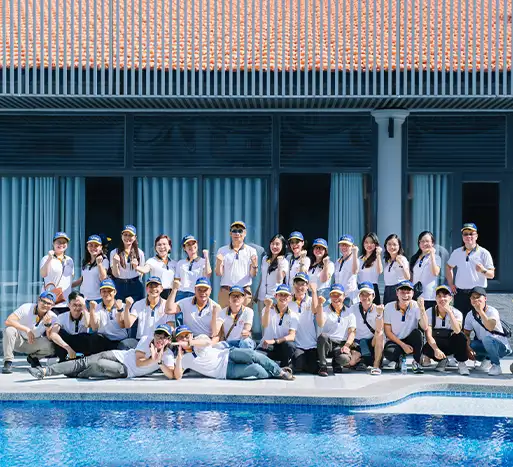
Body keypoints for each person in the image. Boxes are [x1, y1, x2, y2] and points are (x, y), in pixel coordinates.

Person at [27, 324, 177, 380]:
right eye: (158, 335)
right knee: (84, 361)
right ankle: (45, 371)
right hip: (119, 355)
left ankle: (76, 373)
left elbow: (172, 375)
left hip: (125, 370)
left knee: (98, 365)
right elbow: (139, 361)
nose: (160, 339)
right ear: (154, 335)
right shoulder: (146, 340)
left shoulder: (168, 355)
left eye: (164, 337)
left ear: (169, 340)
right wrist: (153, 359)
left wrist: (158, 361)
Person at [173, 325, 294, 381]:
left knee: (252, 355)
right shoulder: (184, 358)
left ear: (191, 335)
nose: (184, 338)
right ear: (177, 340)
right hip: (225, 371)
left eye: (186, 335)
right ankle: (274, 372)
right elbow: (177, 376)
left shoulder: (199, 339)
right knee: (256, 369)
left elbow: (207, 342)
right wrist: (178, 358)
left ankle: (280, 372)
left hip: (227, 354)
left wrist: (190, 342)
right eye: (181, 337)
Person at [446, 223, 495, 319]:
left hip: (477, 294)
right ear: (462, 237)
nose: (468, 236)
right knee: (460, 320)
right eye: (465, 234)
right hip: (460, 294)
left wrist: (483, 270)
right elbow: (448, 267)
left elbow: (491, 275)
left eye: (471, 234)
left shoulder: (484, 253)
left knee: (479, 320)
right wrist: (451, 284)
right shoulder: (457, 252)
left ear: (476, 236)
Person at [2, 291, 57, 374]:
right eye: (43, 301)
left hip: (33, 342)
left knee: (52, 345)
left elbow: (50, 338)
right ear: (38, 300)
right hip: (18, 341)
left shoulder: (53, 317)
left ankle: (33, 358)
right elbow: (8, 321)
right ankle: (8, 362)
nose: (45, 305)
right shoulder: (26, 307)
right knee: (9, 330)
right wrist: (27, 330)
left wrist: (48, 325)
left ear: (52, 305)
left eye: (49, 303)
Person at [421, 285, 469, 375]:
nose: (442, 299)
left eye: (445, 296)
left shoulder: (457, 313)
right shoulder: (429, 312)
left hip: (451, 344)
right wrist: (436, 350)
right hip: (437, 343)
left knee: (461, 336)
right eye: (439, 296)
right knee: (427, 349)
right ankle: (442, 360)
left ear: (450, 298)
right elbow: (428, 335)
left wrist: (449, 312)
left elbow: (457, 330)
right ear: (435, 298)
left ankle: (461, 363)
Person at [464, 286, 511, 376]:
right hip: (485, 344)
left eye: (478, 297)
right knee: (471, 344)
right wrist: (468, 348)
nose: (475, 300)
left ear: (485, 298)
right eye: (473, 297)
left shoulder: (492, 311)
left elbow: (490, 327)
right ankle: (487, 360)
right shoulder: (470, 315)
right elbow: (466, 333)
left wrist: (480, 311)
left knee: (487, 339)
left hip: (501, 347)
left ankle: (496, 365)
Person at [383, 280, 428, 374]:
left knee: (418, 334)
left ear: (413, 293)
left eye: (408, 292)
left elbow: (424, 327)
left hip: (409, 338)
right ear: (397, 293)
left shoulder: (416, 305)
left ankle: (416, 362)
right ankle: (399, 360)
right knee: (389, 353)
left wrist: (422, 309)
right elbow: (388, 332)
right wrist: (403, 345)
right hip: (395, 340)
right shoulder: (389, 307)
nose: (405, 295)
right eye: (402, 292)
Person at [316, 284, 358, 377]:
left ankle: (336, 363)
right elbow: (320, 323)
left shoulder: (350, 313)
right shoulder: (325, 309)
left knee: (345, 359)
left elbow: (352, 332)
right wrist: (320, 305)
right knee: (323, 336)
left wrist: (347, 345)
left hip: (340, 344)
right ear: (330, 296)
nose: (336, 298)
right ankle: (323, 366)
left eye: (339, 295)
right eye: (333, 295)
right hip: (328, 343)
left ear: (344, 296)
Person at [215, 221, 258, 308]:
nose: (237, 233)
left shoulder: (251, 251)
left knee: (246, 316)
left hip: (244, 291)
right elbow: (219, 273)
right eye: (234, 231)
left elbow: (253, 274)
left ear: (245, 233)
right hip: (226, 291)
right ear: (230, 233)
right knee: (223, 316)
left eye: (240, 231)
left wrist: (254, 265)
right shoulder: (222, 250)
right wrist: (219, 262)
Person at [348, 282, 385, 375]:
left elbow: (379, 329)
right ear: (359, 296)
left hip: (372, 342)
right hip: (357, 343)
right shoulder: (353, 308)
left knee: (380, 334)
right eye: (362, 294)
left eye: (368, 294)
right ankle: (361, 359)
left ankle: (376, 365)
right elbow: (348, 326)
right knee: (351, 362)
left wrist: (379, 314)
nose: (365, 297)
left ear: (373, 296)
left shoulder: (378, 309)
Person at [259, 284, 299, 368]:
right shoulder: (267, 309)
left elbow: (292, 336)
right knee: (257, 358)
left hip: (281, 346)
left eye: (286, 295)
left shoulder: (293, 315)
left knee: (290, 345)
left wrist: (275, 341)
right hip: (267, 346)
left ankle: (285, 367)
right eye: (280, 294)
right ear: (275, 296)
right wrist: (267, 307)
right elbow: (264, 324)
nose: (283, 297)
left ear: (290, 297)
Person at [88, 279, 135, 350]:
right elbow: (94, 327)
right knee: (94, 338)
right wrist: (92, 310)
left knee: (125, 345)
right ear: (100, 293)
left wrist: (119, 310)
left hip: (120, 340)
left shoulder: (123, 305)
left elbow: (123, 325)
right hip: (104, 339)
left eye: (109, 291)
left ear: (115, 292)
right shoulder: (97, 307)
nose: (107, 293)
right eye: (104, 291)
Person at [46, 291, 92, 362]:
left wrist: (84, 307)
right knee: (60, 333)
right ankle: (63, 359)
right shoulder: (62, 316)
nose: (77, 308)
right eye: (74, 305)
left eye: (80, 305)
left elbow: (88, 324)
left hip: (81, 344)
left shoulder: (86, 315)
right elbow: (53, 334)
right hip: (67, 346)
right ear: (69, 305)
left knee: (89, 337)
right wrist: (68, 348)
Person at [256, 234, 289, 332]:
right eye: (272, 243)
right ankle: (264, 341)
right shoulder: (265, 259)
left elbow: (279, 280)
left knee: (273, 325)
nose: (274, 246)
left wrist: (279, 263)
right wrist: (256, 294)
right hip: (262, 296)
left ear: (283, 246)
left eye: (277, 244)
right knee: (263, 324)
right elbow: (262, 277)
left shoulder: (284, 262)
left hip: (274, 297)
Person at [123, 276, 173, 340]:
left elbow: (171, 326)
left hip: (160, 340)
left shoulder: (167, 305)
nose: (153, 289)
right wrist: (127, 308)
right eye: (151, 286)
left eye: (156, 286)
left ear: (161, 289)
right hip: (141, 340)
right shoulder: (138, 304)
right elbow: (128, 325)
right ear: (146, 289)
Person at [289, 273, 319, 374]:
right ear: (293, 285)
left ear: (307, 286)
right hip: (297, 344)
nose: (299, 287)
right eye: (297, 284)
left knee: (314, 369)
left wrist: (314, 291)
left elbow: (315, 310)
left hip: (311, 344)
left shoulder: (311, 300)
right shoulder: (288, 301)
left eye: (302, 284)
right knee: (298, 363)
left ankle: (306, 363)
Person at [40, 231, 75, 313]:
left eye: (64, 242)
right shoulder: (46, 258)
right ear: (53, 244)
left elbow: (70, 280)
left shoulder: (69, 260)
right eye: (59, 242)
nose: (61, 244)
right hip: (50, 302)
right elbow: (43, 274)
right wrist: (49, 258)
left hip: (66, 302)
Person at [110, 225, 145, 303]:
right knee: (119, 308)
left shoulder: (139, 253)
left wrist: (136, 267)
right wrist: (115, 263)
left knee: (136, 308)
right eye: (125, 235)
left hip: (135, 285)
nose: (127, 237)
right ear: (121, 236)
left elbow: (141, 272)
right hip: (120, 285)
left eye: (130, 235)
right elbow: (115, 274)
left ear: (135, 237)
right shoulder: (114, 252)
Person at [73, 235, 109, 307]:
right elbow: (83, 278)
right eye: (91, 245)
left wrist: (99, 264)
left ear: (101, 247)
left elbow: (103, 279)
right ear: (87, 247)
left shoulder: (104, 260)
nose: (93, 248)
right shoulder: (86, 261)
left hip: (97, 298)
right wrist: (69, 285)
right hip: (83, 297)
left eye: (96, 246)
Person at [137, 234, 176, 300]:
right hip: (156, 293)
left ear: (169, 247)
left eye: (164, 244)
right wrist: (136, 267)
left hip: (171, 294)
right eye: (159, 245)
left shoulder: (174, 263)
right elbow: (145, 269)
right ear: (155, 248)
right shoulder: (151, 261)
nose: (162, 247)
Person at [175, 234, 211, 303]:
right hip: (181, 294)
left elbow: (208, 274)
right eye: (188, 244)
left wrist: (206, 257)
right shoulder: (180, 263)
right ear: (184, 248)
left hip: (196, 293)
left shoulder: (203, 261)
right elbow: (177, 280)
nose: (191, 246)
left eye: (193, 243)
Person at [410, 231, 441, 310]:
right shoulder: (414, 258)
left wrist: (432, 255)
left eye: (427, 241)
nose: (424, 243)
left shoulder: (436, 258)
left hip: (429, 297)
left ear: (432, 243)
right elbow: (411, 277)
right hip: (415, 296)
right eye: (422, 241)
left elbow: (435, 272)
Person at [383, 234, 410, 305]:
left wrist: (401, 264)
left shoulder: (402, 259)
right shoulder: (387, 260)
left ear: (399, 246)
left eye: (394, 244)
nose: (392, 247)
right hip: (387, 289)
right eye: (389, 244)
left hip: (398, 289)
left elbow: (408, 277)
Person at [357, 233, 383, 304]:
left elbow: (380, 271)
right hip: (361, 288)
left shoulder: (377, 258)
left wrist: (378, 255)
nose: (369, 245)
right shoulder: (359, 259)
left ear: (376, 244)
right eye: (366, 242)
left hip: (373, 288)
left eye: (372, 242)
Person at [334, 235, 359, 306]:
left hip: (349, 297)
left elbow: (355, 271)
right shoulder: (338, 261)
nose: (344, 247)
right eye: (342, 245)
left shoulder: (355, 259)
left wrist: (355, 253)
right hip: (339, 296)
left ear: (352, 246)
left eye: (347, 245)